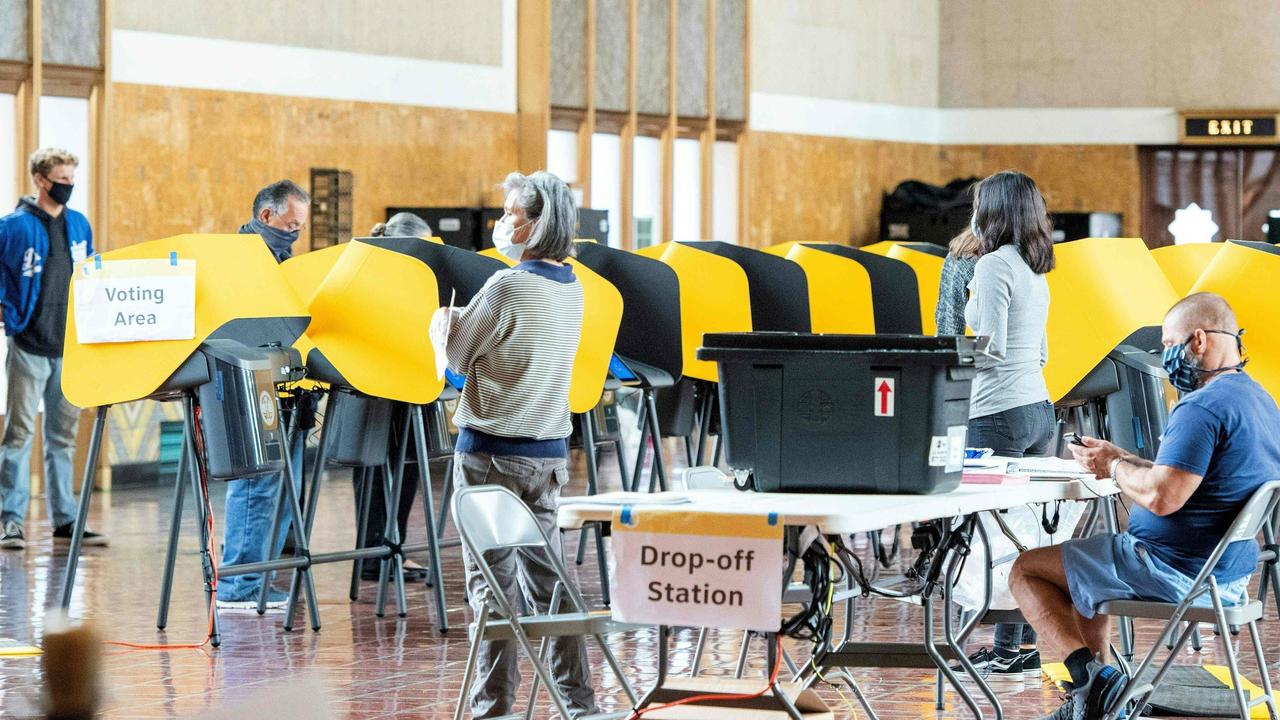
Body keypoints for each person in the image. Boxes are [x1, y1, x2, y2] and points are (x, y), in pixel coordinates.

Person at [1012, 292, 1280, 720]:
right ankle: (1096, 702)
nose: (1165, 357)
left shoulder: (1203, 406)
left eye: (1169, 345)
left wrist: (1115, 467)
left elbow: (1162, 496)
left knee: (1026, 570)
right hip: (1227, 573)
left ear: (1197, 341)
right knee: (1086, 565)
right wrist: (1123, 458)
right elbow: (1185, 479)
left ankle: (1093, 683)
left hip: (1177, 570)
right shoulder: (1259, 400)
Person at [439, 171, 594, 718]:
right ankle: (581, 706)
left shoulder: (506, 286)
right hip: (547, 458)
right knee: (554, 587)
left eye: (511, 214)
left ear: (538, 224)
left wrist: (443, 328)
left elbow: (458, 360)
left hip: (489, 456)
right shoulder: (573, 288)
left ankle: (494, 711)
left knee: (493, 590)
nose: (503, 222)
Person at [956, 171, 1056, 687]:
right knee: (1026, 533)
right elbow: (1038, 351)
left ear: (989, 211)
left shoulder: (994, 265)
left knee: (986, 530)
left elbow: (988, 347)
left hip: (997, 411)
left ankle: (975, 638)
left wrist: (945, 355)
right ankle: (1012, 649)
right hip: (1038, 407)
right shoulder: (1034, 266)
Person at [0, 148, 108, 550]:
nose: (68, 185)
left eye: (71, 178)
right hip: (29, 345)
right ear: (40, 180)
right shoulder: (12, 226)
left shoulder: (79, 225)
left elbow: (93, 273)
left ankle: (65, 519)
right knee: (20, 434)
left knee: (61, 437)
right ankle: (11, 521)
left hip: (69, 349)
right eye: (61, 178)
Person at [217, 179, 311, 609]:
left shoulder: (279, 257)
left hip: (282, 385)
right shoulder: (238, 260)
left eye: (300, 227)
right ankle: (239, 586)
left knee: (277, 487)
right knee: (256, 485)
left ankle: (256, 579)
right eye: (290, 224)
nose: (295, 234)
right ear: (266, 216)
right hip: (248, 384)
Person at [354, 212, 434, 582]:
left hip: (393, 385)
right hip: (382, 386)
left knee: (397, 469)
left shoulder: (393, 275)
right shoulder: (377, 275)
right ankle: (378, 555)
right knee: (386, 470)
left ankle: (388, 551)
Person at [934, 227, 981, 336]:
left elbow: (949, 323)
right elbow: (949, 324)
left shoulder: (965, 253)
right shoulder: (966, 255)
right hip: (992, 348)